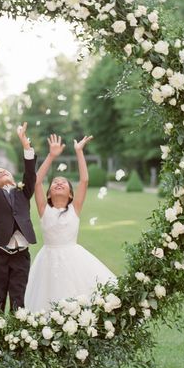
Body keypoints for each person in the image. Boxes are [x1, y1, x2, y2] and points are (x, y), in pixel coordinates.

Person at [24, 133, 117, 312]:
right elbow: (36, 182)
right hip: (48, 260)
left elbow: (84, 180)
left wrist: (79, 151)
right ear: (49, 194)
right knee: (47, 299)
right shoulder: (44, 209)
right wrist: (51, 156)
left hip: (73, 258)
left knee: (77, 295)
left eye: (63, 183)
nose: (58, 183)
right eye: (55, 182)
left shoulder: (75, 208)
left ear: (71, 194)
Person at [0, 122, 37, 311]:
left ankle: (18, 337)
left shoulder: (23, 192)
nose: (1, 170)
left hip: (21, 255)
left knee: (20, 301)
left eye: (5, 170)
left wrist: (25, 145)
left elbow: (30, 173)